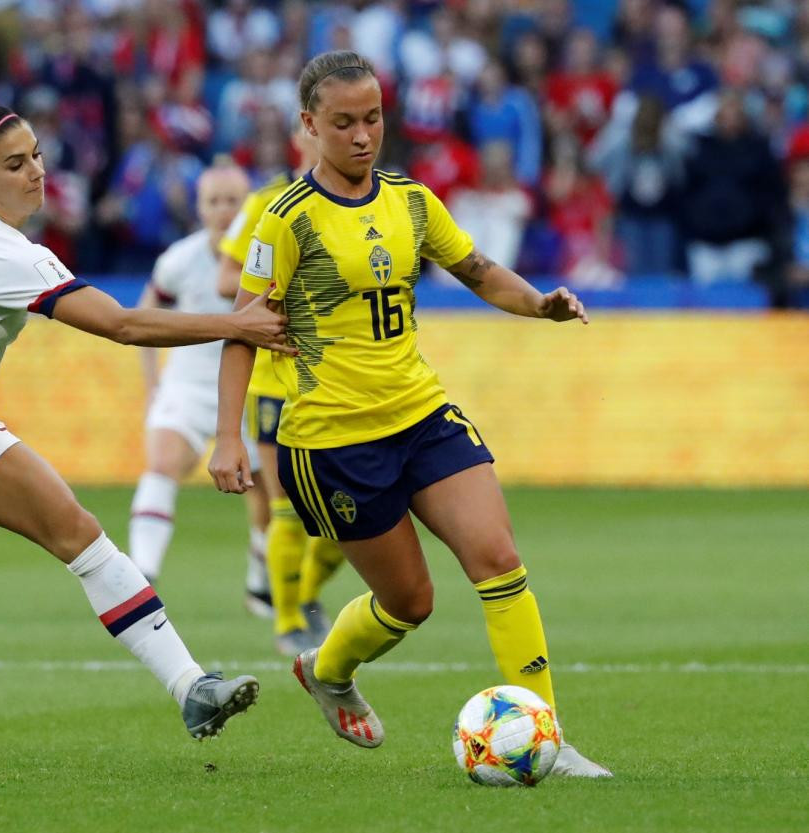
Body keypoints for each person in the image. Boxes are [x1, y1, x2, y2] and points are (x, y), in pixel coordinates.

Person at [0, 104, 289, 769]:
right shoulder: (2, 252)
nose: (37, 172)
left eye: (38, 154)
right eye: (16, 164)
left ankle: (193, 686)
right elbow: (124, 325)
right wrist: (237, 326)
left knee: (79, 533)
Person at [209, 51, 611, 778]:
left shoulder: (411, 199)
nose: (363, 136)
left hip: (421, 412)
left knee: (498, 558)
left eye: (372, 118)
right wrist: (225, 438)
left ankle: (547, 738)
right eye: (343, 123)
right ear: (309, 126)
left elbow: (479, 270)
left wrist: (539, 304)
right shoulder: (287, 220)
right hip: (332, 440)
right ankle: (326, 670)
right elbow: (243, 328)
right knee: (410, 599)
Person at [217, 124, 345, 657]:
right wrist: (286, 288)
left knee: (353, 508)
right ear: (303, 133)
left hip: (341, 378)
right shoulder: (269, 202)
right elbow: (229, 279)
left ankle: (306, 591)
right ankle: (289, 621)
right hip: (276, 379)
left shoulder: (357, 203)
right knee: (287, 505)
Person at [128, 160, 272, 602]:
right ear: (200, 207)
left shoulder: (269, 257)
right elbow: (145, 316)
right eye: (214, 201)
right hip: (189, 386)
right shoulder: (179, 260)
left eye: (234, 201)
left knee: (267, 494)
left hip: (250, 387)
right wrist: (153, 383)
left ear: (250, 207)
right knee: (162, 462)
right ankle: (140, 576)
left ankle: (261, 584)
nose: (224, 210)